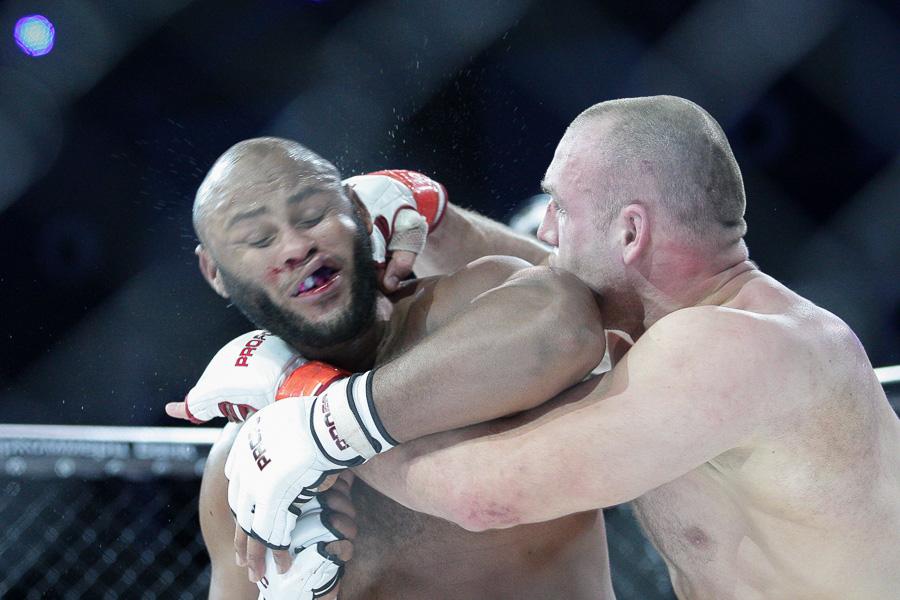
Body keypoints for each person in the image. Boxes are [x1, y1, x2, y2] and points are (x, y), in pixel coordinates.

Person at [223, 96, 900, 599]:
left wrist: (312, 404)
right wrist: (436, 217)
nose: (546, 229)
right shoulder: (685, 325)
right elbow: (553, 283)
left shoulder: (727, 350)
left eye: (562, 208)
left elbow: (484, 498)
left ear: (630, 232)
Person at [169, 137, 615, 599]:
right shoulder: (246, 468)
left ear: (360, 213)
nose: (296, 246)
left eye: (313, 215)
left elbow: (566, 325)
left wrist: (317, 405)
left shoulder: (468, 308)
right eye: (259, 238)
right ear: (214, 272)